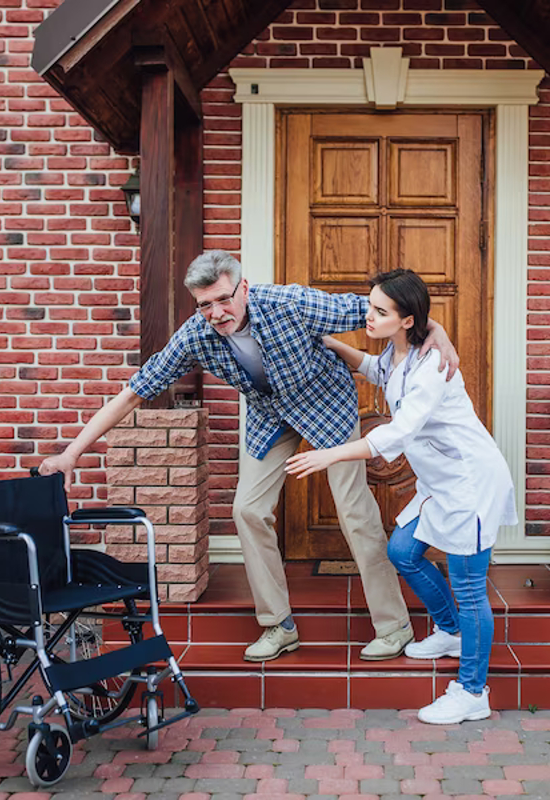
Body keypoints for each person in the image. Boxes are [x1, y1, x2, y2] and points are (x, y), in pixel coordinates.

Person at [38, 250, 461, 663]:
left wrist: (434, 328)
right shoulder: (195, 334)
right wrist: (73, 451)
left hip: (326, 405)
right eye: (206, 305)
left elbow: (380, 311)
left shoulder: (290, 302)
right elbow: (134, 391)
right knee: (247, 509)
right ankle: (279, 626)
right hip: (270, 416)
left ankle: (393, 626)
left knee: (353, 509)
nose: (217, 312)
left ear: (243, 288)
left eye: (224, 299)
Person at [285, 269, 516, 725]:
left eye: (379, 311)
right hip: (439, 485)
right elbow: (375, 369)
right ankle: (449, 630)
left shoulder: (431, 367)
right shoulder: (398, 352)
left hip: (470, 486)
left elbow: (398, 432)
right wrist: (331, 342)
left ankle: (472, 691)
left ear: (407, 319)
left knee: (470, 590)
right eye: (370, 306)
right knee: (403, 551)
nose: (368, 316)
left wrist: (327, 455)